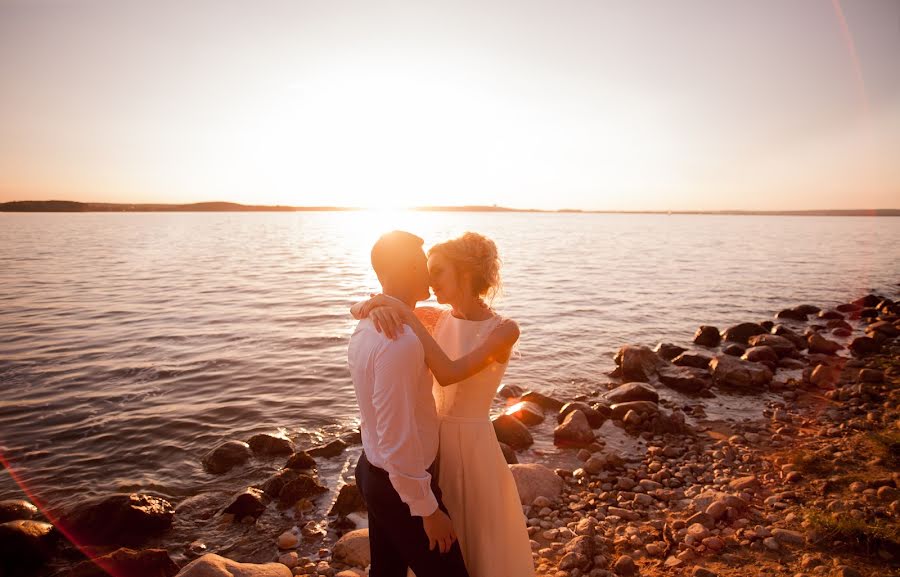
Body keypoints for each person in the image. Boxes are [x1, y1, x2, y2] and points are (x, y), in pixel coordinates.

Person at [352, 231, 536, 577]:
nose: (429, 279)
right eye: (427, 269)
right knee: (438, 540)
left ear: (465, 274)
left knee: (478, 537)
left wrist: (403, 313)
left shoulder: (504, 329)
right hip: (435, 446)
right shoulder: (438, 316)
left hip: (473, 447)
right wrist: (372, 306)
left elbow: (450, 373)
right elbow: (360, 308)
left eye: (438, 271)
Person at [347, 230, 470, 577]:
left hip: (373, 471)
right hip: (401, 486)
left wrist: (369, 303)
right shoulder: (399, 342)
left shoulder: (369, 322)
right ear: (406, 269)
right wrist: (428, 510)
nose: (428, 272)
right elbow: (395, 435)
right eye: (421, 264)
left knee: (386, 573)